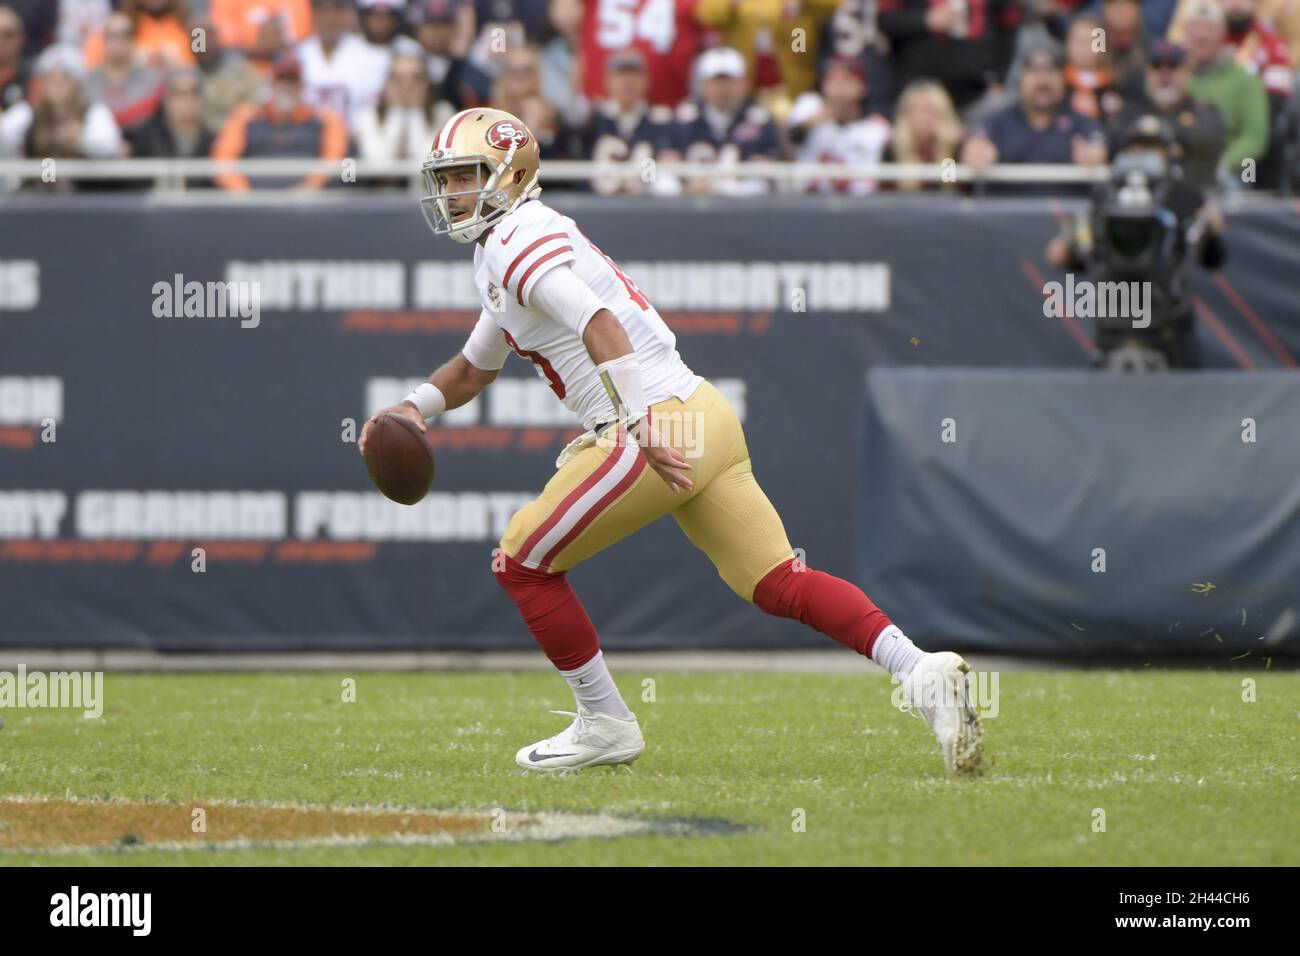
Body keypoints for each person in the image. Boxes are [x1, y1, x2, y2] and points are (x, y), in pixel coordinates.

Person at [357, 107, 987, 776]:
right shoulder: (507, 246)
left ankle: (604, 722)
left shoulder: (515, 240)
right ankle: (921, 672)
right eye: (447, 178)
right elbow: (473, 367)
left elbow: (598, 320)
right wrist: (411, 407)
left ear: (508, 177)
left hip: (655, 421)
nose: (451, 192)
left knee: (522, 561)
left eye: (464, 176)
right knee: (779, 582)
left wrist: (635, 419)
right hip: (703, 412)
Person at [961, 43, 1108, 195]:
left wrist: (1092, 155)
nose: (1043, 79)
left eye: (1051, 71)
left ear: (1064, 80)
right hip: (1006, 214)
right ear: (1020, 80)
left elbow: (1096, 146)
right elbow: (976, 143)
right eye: (1034, 71)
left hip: (1066, 213)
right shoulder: (998, 120)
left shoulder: (1082, 122)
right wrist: (978, 151)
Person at [211, 51, 348, 190]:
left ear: (301, 87)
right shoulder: (247, 117)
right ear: (271, 85)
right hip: (253, 203)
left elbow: (334, 158)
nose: (287, 87)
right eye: (281, 81)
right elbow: (223, 158)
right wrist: (244, 194)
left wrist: (308, 190)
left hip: (310, 205)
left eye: (292, 81)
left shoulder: (323, 119)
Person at [1107, 40, 1226, 189]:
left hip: (1193, 195)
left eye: (1173, 67)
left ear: (1187, 73)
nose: (1164, 75)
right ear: (1147, 74)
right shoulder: (1130, 111)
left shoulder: (1202, 110)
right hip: (1136, 197)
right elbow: (1113, 142)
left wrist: (1152, 141)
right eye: (1157, 67)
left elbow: (1209, 138)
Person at [786, 55, 892, 194]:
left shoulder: (875, 127)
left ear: (863, 87)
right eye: (832, 80)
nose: (839, 87)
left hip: (859, 209)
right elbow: (788, 142)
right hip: (809, 204)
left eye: (847, 80)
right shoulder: (809, 107)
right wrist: (809, 124)